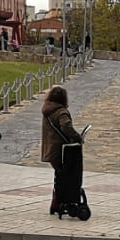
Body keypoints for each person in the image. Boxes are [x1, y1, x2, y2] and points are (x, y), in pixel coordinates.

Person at [40, 86, 85, 215]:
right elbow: (66, 126)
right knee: (63, 177)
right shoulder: (61, 112)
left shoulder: (47, 110)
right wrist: (78, 138)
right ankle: (58, 202)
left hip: (50, 149)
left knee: (59, 177)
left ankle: (57, 202)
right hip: (61, 150)